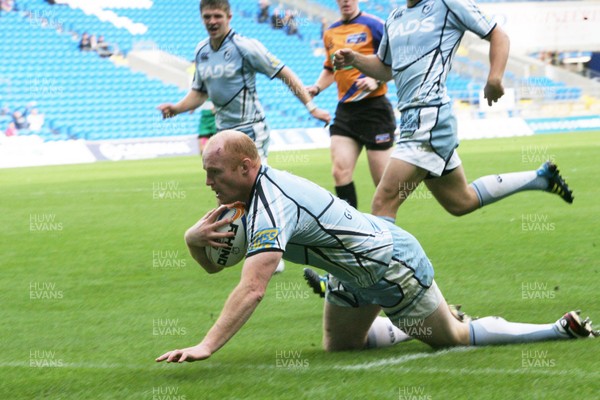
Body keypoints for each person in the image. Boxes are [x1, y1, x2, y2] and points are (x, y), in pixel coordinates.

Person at [155, 131, 596, 364]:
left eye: (215, 172)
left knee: (454, 340)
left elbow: (252, 288)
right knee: (340, 348)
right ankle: (416, 323)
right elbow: (215, 268)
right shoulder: (248, 196)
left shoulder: (272, 204)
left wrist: (207, 345)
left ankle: (557, 327)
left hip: (391, 264)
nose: (208, 183)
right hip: (351, 273)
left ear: (247, 166)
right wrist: (192, 241)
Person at [332, 0, 573, 224]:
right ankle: (540, 178)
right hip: (413, 120)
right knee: (460, 201)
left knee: (382, 203)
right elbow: (386, 69)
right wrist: (356, 59)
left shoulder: (446, 4)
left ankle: (357, 271)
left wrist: (494, 78)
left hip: (429, 118)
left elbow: (498, 34)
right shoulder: (395, 17)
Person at [157, 0, 330, 273]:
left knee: (258, 190)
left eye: (217, 16)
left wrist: (311, 106)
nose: (212, 21)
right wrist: (177, 108)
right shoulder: (201, 51)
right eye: (207, 16)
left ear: (229, 16)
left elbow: (282, 71)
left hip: (251, 130)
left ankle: (271, 251)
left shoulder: (245, 47)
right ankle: (232, 246)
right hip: (223, 135)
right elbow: (199, 93)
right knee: (225, 197)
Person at [307, 0, 395, 210]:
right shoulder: (330, 32)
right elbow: (330, 69)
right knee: (340, 171)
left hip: (375, 110)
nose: (346, 1)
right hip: (346, 110)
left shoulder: (375, 26)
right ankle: (352, 227)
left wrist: (376, 80)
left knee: (383, 185)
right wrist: (317, 88)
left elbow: (396, 63)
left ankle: (387, 233)